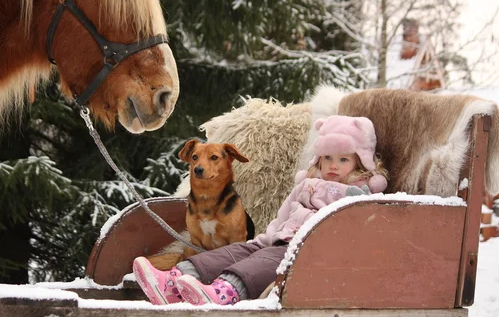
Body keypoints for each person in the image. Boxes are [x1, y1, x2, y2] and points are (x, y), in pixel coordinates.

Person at [133, 115, 389, 306]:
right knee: (241, 250)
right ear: (318, 159)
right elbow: (282, 217)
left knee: (266, 262)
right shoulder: (306, 186)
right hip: (279, 240)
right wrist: (264, 240)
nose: (333, 165)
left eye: (343, 159)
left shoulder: (359, 195)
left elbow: (353, 235)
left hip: (307, 252)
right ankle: (175, 280)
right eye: (327, 158)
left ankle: (225, 291)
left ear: (360, 162)